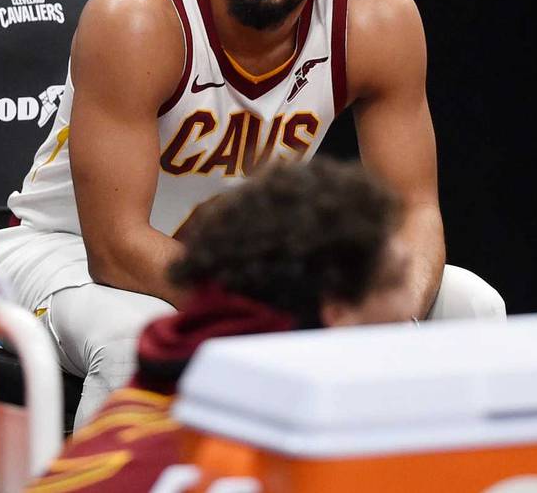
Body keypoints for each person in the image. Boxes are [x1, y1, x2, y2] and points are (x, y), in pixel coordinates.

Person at [0, 0, 505, 428]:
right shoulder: (138, 19)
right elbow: (117, 251)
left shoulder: (377, 20)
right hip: (59, 253)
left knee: (471, 306)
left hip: (242, 267)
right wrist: (286, 313)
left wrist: (393, 311)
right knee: (138, 341)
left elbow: (414, 211)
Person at [27, 158, 417, 493]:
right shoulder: (260, 463)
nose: (412, 305)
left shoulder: (154, 399)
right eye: (398, 280)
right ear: (337, 313)